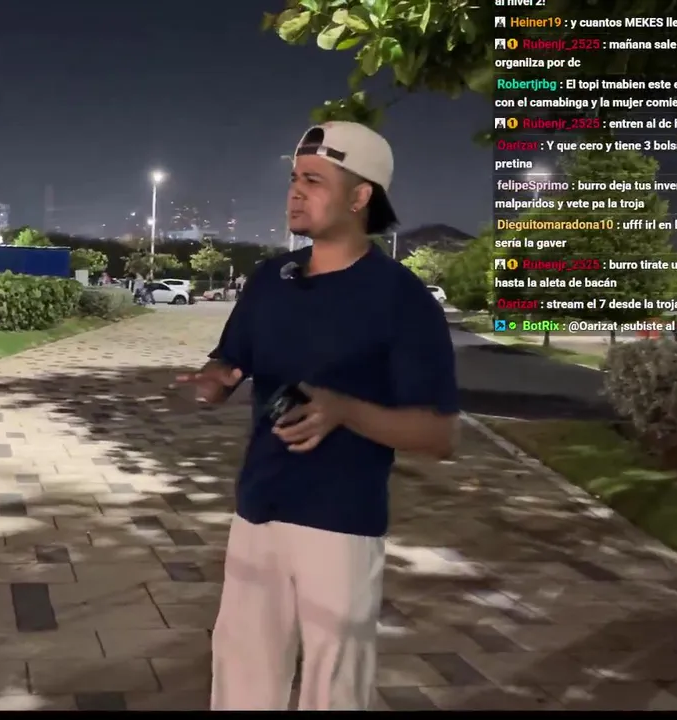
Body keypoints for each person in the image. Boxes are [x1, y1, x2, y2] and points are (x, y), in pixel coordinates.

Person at [177, 122, 460, 711]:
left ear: (360, 197)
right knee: (241, 675)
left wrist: (344, 411)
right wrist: (212, 381)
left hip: (340, 524)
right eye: (293, 178)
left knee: (334, 686)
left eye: (313, 180)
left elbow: (439, 434)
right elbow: (229, 362)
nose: (294, 192)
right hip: (257, 509)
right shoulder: (269, 280)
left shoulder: (401, 298)